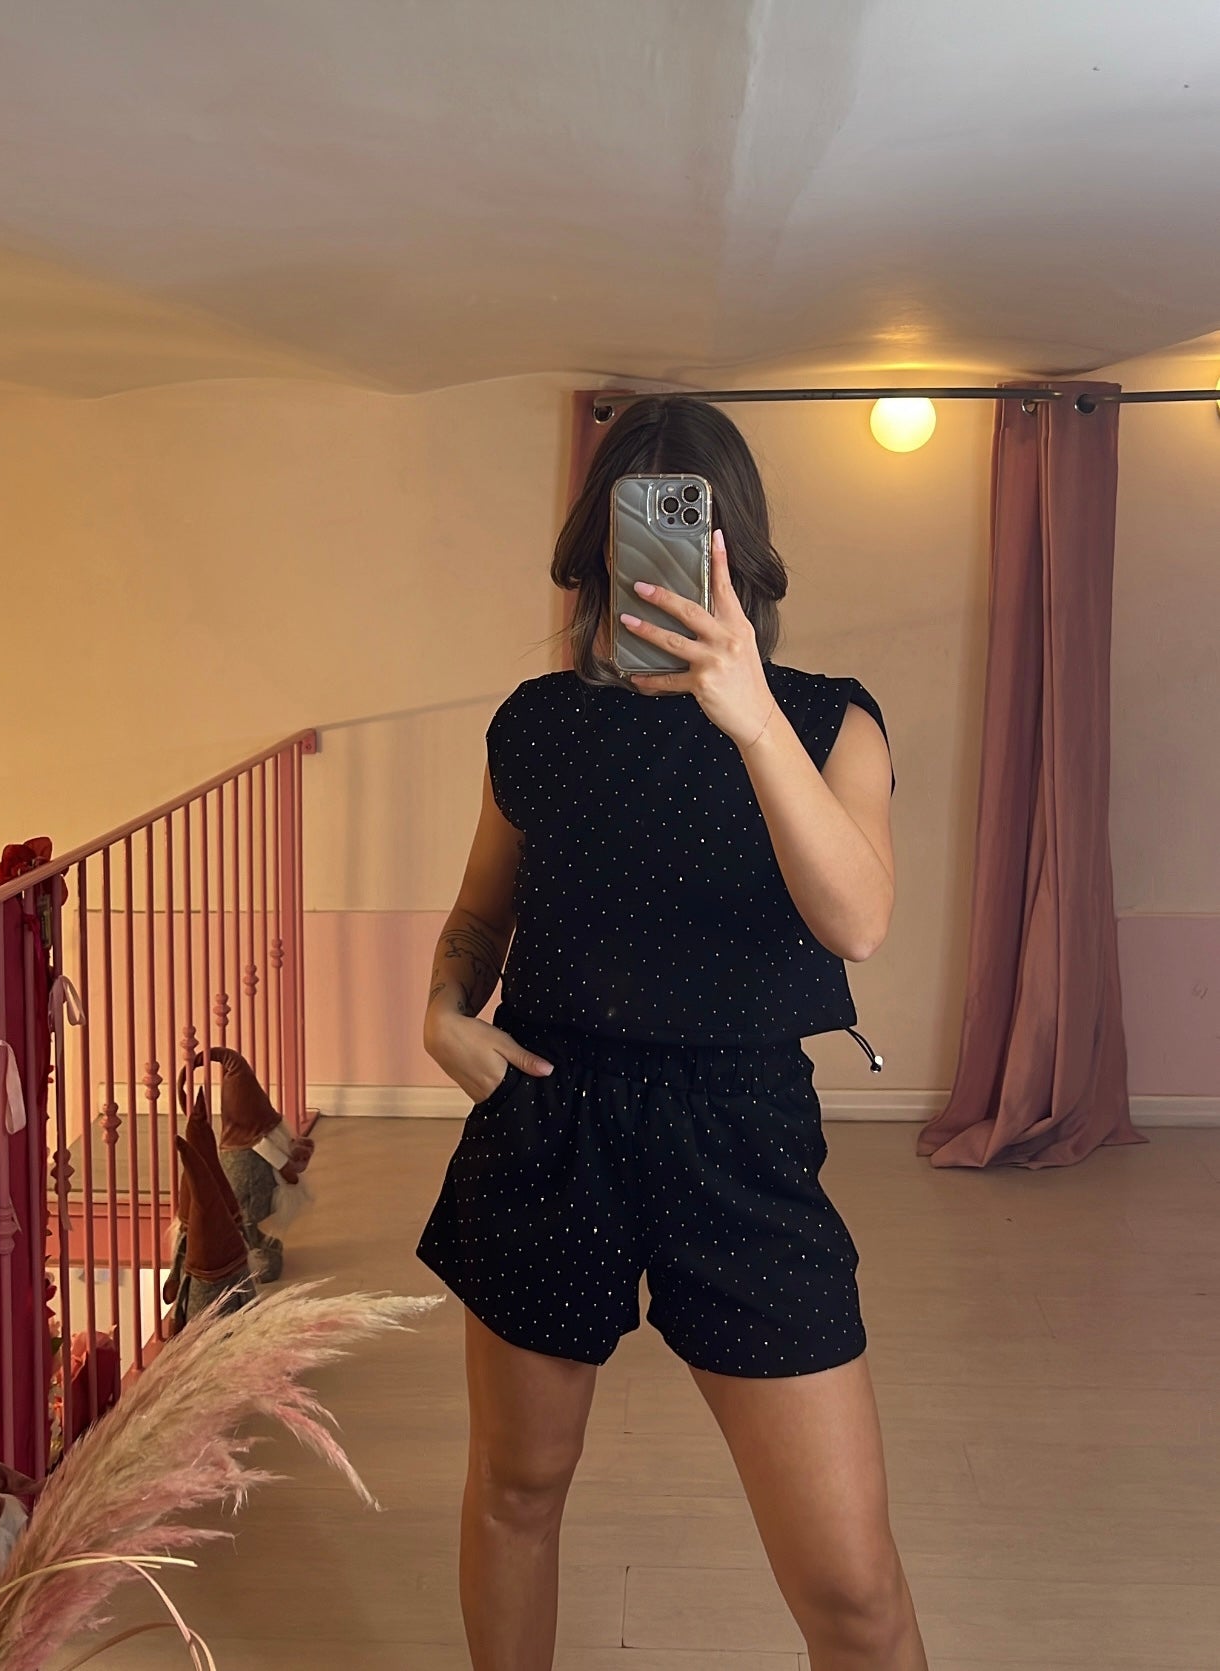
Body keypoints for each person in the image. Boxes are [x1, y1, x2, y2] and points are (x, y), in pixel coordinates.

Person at [417, 396, 927, 1671]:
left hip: (738, 1135)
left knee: (854, 1589)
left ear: (735, 556)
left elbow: (859, 923)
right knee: (517, 1491)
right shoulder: (536, 724)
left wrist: (747, 716)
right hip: (550, 1119)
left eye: (684, 540)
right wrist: (441, 1011)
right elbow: (479, 918)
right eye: (628, 536)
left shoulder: (829, 720)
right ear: (595, 549)